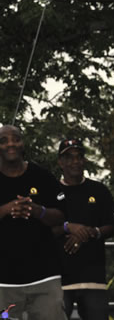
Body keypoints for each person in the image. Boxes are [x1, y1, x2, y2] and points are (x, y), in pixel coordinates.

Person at [0, 124, 67, 320]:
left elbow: (62, 215)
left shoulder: (42, 175)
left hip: (45, 275)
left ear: (23, 144)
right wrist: (6, 209)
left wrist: (39, 211)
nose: (11, 144)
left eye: (16, 139)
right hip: (3, 281)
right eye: (4, 140)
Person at [52, 138, 114, 320]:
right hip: (58, 279)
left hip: (93, 278)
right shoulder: (51, 190)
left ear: (84, 160)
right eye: (68, 157)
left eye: (78, 157)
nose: (74, 161)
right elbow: (43, 229)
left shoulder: (99, 190)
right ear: (60, 162)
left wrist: (90, 232)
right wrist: (68, 228)